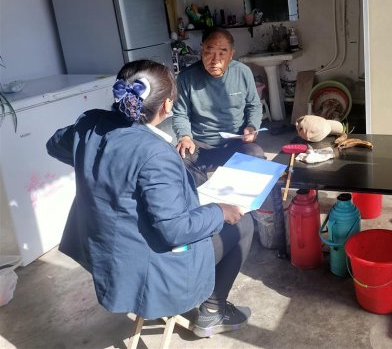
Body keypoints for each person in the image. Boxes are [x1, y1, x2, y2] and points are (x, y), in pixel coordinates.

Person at [46, 60, 254, 338]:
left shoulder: (90, 124)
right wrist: (219, 211)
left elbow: (55, 145)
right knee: (243, 225)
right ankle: (214, 310)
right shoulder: (155, 153)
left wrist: (102, 168)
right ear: (167, 105)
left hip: (104, 253)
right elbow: (176, 230)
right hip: (150, 270)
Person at [172, 27, 264, 185]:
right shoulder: (186, 78)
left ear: (231, 54)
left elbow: (254, 105)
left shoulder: (242, 72)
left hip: (236, 139)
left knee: (255, 155)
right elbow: (180, 113)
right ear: (202, 50)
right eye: (209, 51)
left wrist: (252, 126)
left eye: (222, 52)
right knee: (183, 157)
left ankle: (245, 200)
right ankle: (200, 200)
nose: (215, 60)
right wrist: (185, 136)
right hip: (201, 143)